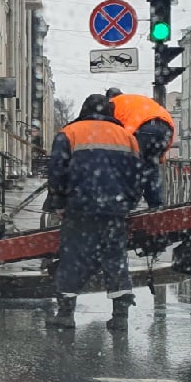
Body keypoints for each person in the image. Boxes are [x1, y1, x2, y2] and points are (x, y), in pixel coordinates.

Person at [45, 94, 159, 329]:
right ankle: (120, 317)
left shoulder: (70, 133)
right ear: (110, 113)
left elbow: (57, 171)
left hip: (79, 209)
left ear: (84, 109)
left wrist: (58, 203)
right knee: (115, 259)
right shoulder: (127, 137)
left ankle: (65, 314)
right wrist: (129, 201)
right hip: (115, 209)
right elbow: (138, 175)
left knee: (73, 259)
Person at [108, 88, 172, 209]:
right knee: (151, 166)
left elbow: (113, 132)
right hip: (166, 127)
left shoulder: (113, 104)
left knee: (131, 165)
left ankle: (128, 204)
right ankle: (156, 204)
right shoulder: (134, 100)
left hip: (144, 128)